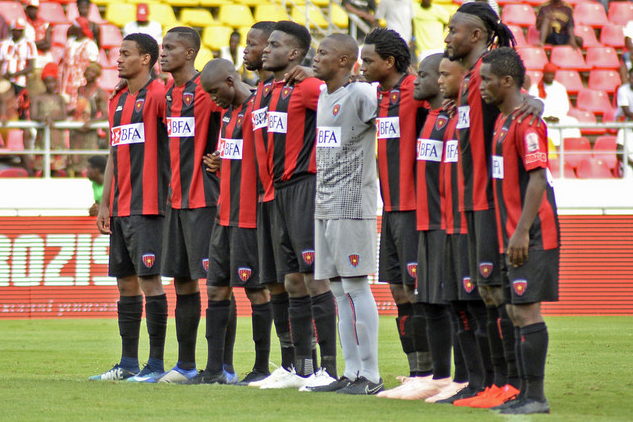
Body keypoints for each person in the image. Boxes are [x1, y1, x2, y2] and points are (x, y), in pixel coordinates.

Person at [442, 2, 543, 408]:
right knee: (484, 293)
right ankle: (493, 384)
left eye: (454, 30)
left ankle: (511, 383)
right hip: (470, 200)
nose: (447, 36)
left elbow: (521, 95)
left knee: (495, 293)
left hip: (489, 202)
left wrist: (536, 102)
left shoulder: (487, 72)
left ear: (477, 35)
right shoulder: (469, 79)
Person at [258, 21, 338, 390]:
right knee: (291, 281)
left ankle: (331, 368)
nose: (264, 49)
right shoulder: (270, 89)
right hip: (279, 192)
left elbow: (340, 95)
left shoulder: (307, 86)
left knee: (314, 277)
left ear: (293, 53)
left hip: (306, 186)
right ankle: (301, 369)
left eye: (273, 45)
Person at [479, 46, 559, 415]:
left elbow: (538, 177)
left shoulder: (528, 123)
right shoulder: (503, 120)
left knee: (526, 311)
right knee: (513, 311)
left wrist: (522, 231)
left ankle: (536, 397)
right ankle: (524, 394)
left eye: (487, 80)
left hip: (530, 233)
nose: (481, 86)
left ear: (507, 81)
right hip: (509, 231)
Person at [152, 27, 233, 385]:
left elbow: (233, 129)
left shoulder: (208, 91)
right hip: (176, 203)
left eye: (170, 48)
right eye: (162, 47)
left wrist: (220, 159)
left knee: (217, 284)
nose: (163, 53)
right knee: (183, 283)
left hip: (207, 202)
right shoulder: (167, 94)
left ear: (189, 54)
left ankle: (223, 367)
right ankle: (185, 365)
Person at [91, 33, 169, 381]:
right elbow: (113, 154)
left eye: (125, 54)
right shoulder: (118, 99)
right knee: (126, 285)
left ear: (146, 60)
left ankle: (155, 365)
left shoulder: (159, 95)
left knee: (151, 283)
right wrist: (105, 202)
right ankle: (127, 364)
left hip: (149, 205)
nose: (117, 59)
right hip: (121, 207)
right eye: (118, 53)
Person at [359, 28, 431, 398]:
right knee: (400, 290)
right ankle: (416, 369)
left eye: (368, 59)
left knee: (420, 292)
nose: (362, 65)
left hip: (418, 208)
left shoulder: (418, 92)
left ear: (389, 62)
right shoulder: (381, 96)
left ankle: (433, 373)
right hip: (391, 207)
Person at [309, 33, 382, 394]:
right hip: (324, 203)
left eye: (322, 52)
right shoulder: (324, 95)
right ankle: (351, 373)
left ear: (343, 61)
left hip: (353, 202)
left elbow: (394, 114)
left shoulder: (362, 94)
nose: (315, 57)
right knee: (338, 290)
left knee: (355, 286)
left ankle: (371, 375)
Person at [193, 58, 272, 385]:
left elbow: (267, 159)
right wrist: (219, 162)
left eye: (215, 92)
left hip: (250, 216)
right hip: (223, 215)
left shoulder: (258, 110)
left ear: (230, 81)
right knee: (216, 289)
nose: (214, 100)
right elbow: (237, 160)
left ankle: (262, 368)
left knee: (256, 291)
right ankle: (215, 370)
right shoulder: (228, 115)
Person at [390, 53, 453, 400]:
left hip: (438, 219)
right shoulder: (428, 116)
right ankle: (424, 373)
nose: (416, 81)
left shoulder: (448, 117)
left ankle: (448, 377)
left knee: (444, 300)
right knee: (413, 295)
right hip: (412, 216)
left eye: (424, 75)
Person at [240, 21, 296, 388]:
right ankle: (286, 365)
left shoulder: (299, 89)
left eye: (255, 44)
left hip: (292, 196)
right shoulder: (257, 94)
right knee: (273, 283)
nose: (249, 50)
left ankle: (308, 365)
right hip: (261, 199)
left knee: (299, 283)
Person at [424, 54, 479, 404]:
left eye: (446, 74)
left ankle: (483, 381)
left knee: (478, 305)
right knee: (455, 303)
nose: (441, 80)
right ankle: (463, 380)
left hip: (467, 221)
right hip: (440, 221)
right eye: (438, 74)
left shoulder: (474, 113)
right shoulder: (438, 115)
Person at [71, 62, 109, 175]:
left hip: (89, 132)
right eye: (88, 70)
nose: (89, 73)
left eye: (92, 71)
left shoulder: (100, 93)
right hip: (76, 129)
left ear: (97, 75)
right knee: (75, 162)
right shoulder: (80, 89)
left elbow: (105, 114)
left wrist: (91, 122)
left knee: (88, 162)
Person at [30, 62, 67, 173]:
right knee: (41, 169)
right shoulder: (38, 98)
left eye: (52, 82)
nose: (50, 85)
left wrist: (52, 118)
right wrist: (45, 118)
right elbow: (33, 115)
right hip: (42, 138)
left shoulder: (60, 98)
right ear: (43, 83)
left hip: (57, 138)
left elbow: (64, 116)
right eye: (47, 82)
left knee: (56, 170)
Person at [59, 17, 99, 113]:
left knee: (79, 108)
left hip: (81, 81)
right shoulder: (69, 42)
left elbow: (94, 66)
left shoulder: (90, 45)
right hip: (66, 81)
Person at [23, 0, 53, 97]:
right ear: (26, 10)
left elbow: (48, 44)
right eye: (30, 8)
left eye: (34, 8)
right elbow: (23, 46)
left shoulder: (45, 24)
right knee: (33, 93)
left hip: (44, 61)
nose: (32, 11)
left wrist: (31, 44)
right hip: (30, 62)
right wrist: (41, 42)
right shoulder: (22, 25)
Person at [0, 18, 36, 94]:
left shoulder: (29, 45)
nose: (20, 33)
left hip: (20, 82)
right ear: (12, 31)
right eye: (17, 30)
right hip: (5, 82)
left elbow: (30, 67)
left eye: (21, 30)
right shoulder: (3, 44)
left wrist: (13, 75)